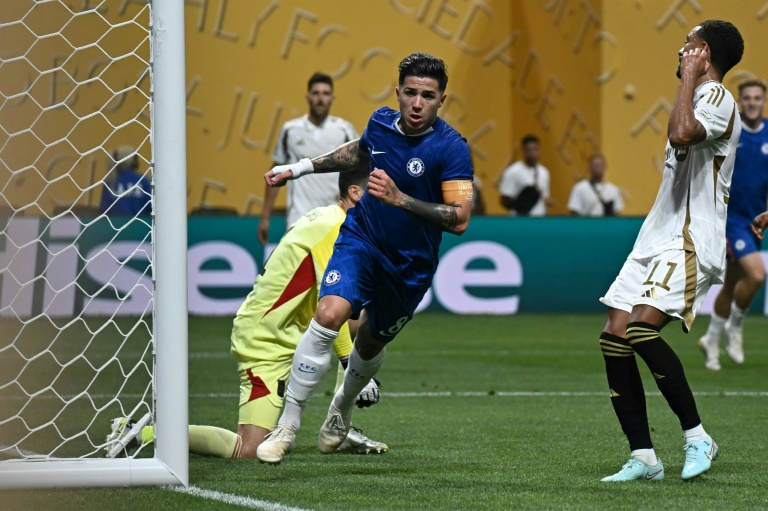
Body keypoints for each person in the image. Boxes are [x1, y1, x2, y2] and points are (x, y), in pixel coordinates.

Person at [255, 52, 474, 464]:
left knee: (369, 342)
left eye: (427, 95)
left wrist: (400, 198)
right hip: (362, 240)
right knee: (328, 314)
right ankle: (288, 425)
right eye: (410, 93)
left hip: (410, 266)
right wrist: (299, 168)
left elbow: (460, 219)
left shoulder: (452, 148)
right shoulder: (379, 122)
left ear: (441, 99)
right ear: (398, 92)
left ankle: (341, 409)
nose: (416, 103)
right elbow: (359, 152)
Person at [105, 169, 388, 459]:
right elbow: (330, 303)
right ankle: (143, 432)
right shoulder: (335, 227)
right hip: (265, 339)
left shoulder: (331, 218)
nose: (386, 198)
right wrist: (354, 369)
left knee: (367, 323)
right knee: (249, 448)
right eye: (379, 190)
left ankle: (341, 423)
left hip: (292, 333)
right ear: (355, 192)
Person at [597, 20, 743, 482]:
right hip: (656, 236)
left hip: (689, 238)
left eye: (688, 43)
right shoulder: (698, 96)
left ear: (702, 50)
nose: (680, 49)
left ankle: (698, 437)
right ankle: (644, 457)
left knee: (642, 330)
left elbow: (682, 134)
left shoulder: (716, 97)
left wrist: (690, 76)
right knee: (615, 337)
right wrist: (688, 80)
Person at [698, 78, 768, 370]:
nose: (752, 102)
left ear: (763, 102)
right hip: (730, 218)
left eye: (757, 98)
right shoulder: (730, 129)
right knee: (757, 275)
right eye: (747, 98)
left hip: (756, 220)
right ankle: (735, 329)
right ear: (740, 101)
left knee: (730, 286)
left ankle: (711, 339)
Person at [258, 72, 358, 245]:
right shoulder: (290, 130)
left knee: (329, 272)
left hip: (335, 218)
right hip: (298, 219)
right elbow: (276, 174)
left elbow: (360, 168)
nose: (320, 98)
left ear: (332, 98)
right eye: (316, 93)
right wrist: (265, 217)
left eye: (325, 94)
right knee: (297, 272)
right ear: (308, 97)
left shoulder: (344, 130)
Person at [498, 135, 550, 216]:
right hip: (520, 220)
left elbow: (544, 198)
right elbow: (504, 199)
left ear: (540, 150)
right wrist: (520, 209)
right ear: (524, 151)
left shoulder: (544, 172)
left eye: (535, 149)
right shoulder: (513, 171)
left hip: (539, 220)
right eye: (529, 150)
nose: (532, 153)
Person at [99, 146, 151, 217]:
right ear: (132, 160)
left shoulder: (110, 182)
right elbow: (150, 208)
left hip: (115, 225)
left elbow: (104, 210)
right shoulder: (143, 181)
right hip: (139, 225)